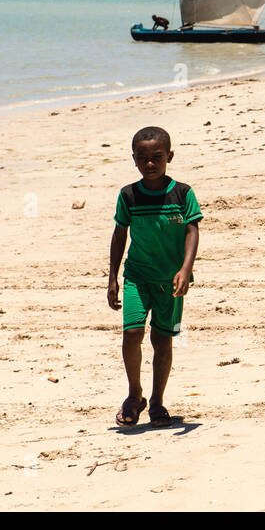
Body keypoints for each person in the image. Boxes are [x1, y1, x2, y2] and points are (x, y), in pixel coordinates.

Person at [108, 126, 202, 427]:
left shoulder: (182, 193)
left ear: (169, 156)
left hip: (172, 282)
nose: (150, 163)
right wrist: (113, 277)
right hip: (137, 276)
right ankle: (135, 395)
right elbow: (119, 234)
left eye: (157, 157)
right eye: (142, 158)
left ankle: (158, 402)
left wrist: (185, 269)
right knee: (132, 333)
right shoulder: (129, 195)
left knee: (163, 340)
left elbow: (192, 230)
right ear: (134, 160)